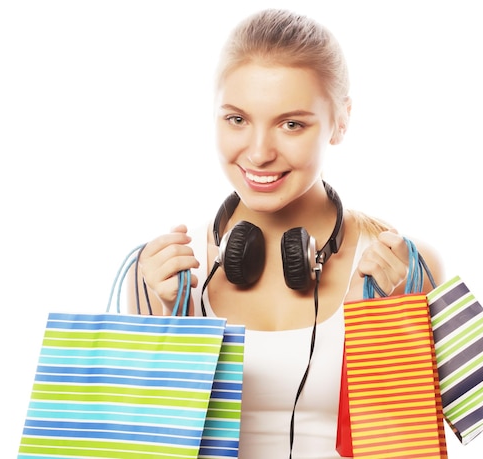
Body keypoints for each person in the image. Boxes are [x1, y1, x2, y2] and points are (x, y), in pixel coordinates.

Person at [127, 8, 443, 458]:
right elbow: (145, 445)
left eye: (291, 124)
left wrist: (381, 329)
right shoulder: (164, 271)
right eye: (237, 119)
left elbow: (407, 447)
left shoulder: (401, 267)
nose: (258, 153)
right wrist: (167, 326)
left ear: (341, 120)